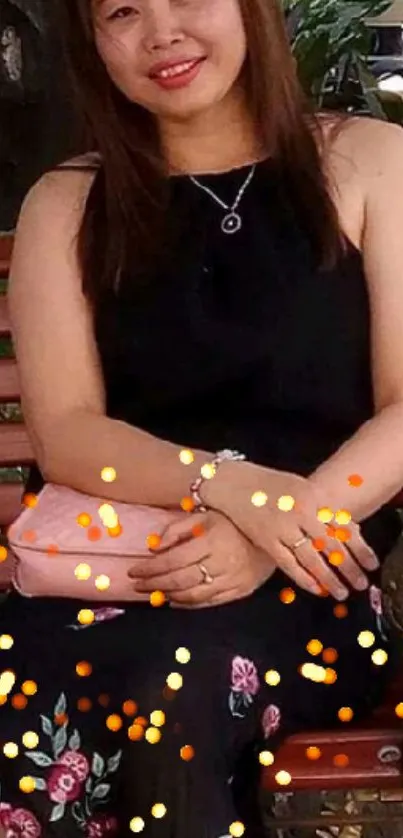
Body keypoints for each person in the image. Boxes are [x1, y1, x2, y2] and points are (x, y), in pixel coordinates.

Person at [1, 0, 403, 835]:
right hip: (115, 567)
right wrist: (226, 487)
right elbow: (69, 429)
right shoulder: (69, 203)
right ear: (92, 45)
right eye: (122, 11)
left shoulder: (367, 161)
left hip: (313, 580)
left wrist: (276, 528)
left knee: (174, 690)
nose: (164, 33)